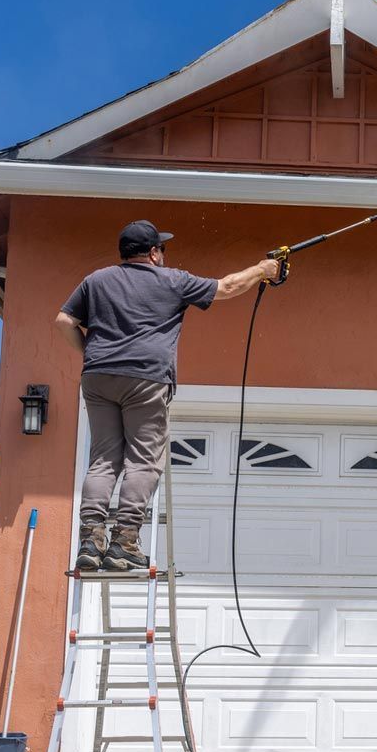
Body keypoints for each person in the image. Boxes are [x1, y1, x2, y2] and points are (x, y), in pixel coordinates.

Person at [55, 220, 280, 571]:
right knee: (143, 460)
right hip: (146, 378)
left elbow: (64, 322)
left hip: (98, 376)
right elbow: (229, 286)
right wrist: (263, 269)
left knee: (102, 460)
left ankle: (90, 539)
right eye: (162, 248)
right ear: (154, 253)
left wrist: (90, 354)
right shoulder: (172, 280)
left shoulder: (96, 280)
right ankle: (123, 542)